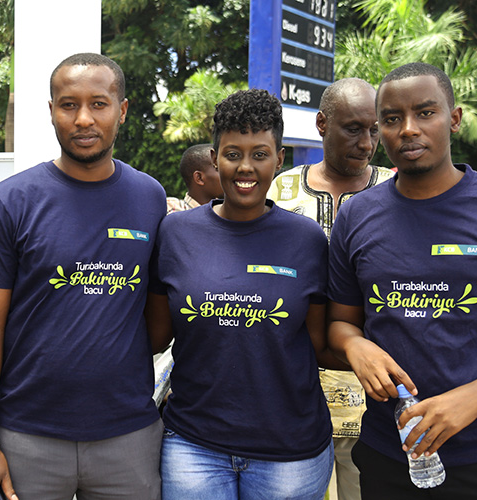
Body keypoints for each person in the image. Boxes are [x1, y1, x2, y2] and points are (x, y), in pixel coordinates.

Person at [328, 62, 477, 499]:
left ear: (453, 119)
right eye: (393, 119)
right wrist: (354, 344)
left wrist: (473, 399)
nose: (408, 129)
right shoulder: (356, 215)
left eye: (425, 113)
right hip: (390, 455)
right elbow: (341, 321)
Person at [0, 52, 166, 500]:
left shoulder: (149, 198)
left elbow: (156, 316)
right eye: (68, 104)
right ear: (52, 111)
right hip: (26, 436)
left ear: (122, 110)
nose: (83, 119)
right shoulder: (10, 202)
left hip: (127, 436)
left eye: (98, 104)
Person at [146, 88, 343, 500]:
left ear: (279, 158)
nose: (245, 167)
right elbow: (156, 335)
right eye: (233, 153)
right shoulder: (177, 233)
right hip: (194, 444)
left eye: (260, 153)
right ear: (215, 157)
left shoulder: (306, 240)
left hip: (289, 451)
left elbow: (318, 343)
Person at [267, 77, 391, 500]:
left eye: (374, 129)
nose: (367, 142)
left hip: (379, 399)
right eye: (353, 128)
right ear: (322, 124)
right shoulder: (279, 190)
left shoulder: (398, 190)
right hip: (291, 397)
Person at [166, 143, 222, 213]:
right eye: (220, 169)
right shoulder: (171, 209)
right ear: (199, 178)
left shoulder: (230, 211)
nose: (228, 174)